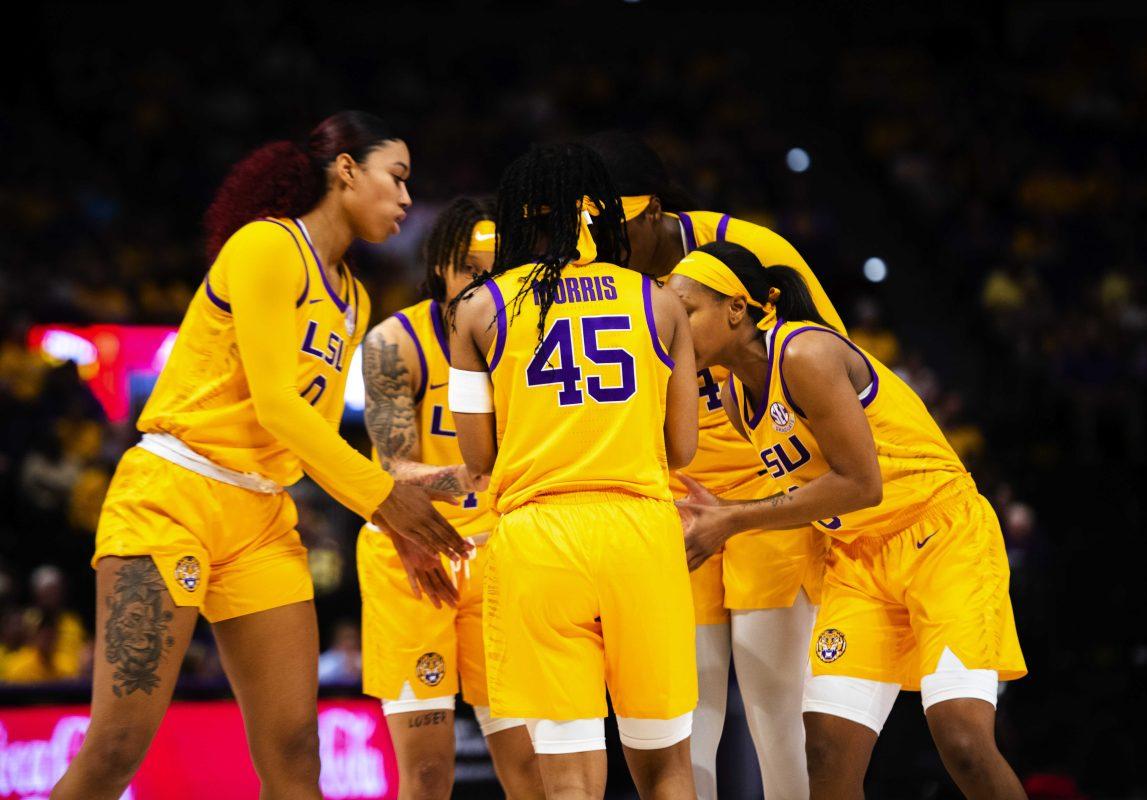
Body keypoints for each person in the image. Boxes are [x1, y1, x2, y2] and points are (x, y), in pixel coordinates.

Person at [51, 111, 469, 800]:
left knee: (297, 755)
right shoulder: (268, 246)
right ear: (345, 171)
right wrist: (385, 501)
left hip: (262, 518)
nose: (404, 200)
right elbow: (280, 407)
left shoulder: (354, 299)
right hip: (173, 493)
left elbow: (308, 443)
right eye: (395, 178)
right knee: (116, 749)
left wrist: (421, 499)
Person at [670, 241, 1028, 800]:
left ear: (736, 309)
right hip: (858, 560)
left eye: (686, 313)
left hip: (939, 537)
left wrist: (734, 520)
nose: (674, 330)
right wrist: (721, 517)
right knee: (827, 752)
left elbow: (861, 484)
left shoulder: (805, 353)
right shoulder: (737, 395)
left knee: (962, 741)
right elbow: (812, 494)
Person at [586, 130, 838, 798]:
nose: (605, 246)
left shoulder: (754, 250)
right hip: (673, 505)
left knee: (777, 713)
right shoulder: (598, 277)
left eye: (617, 228)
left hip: (770, 498)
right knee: (683, 716)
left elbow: (830, 366)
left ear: (653, 210)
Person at [448, 143, 699, 799]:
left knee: (566, 777)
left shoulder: (478, 309)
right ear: (599, 211)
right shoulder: (660, 302)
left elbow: (477, 459)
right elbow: (683, 448)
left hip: (539, 538)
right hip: (640, 534)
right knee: (668, 768)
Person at [358, 197, 543, 798]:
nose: (483, 282)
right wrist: (478, 475)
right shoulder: (395, 341)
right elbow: (390, 469)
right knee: (429, 773)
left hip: (500, 557)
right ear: (440, 266)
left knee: (532, 769)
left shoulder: (527, 344)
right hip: (412, 555)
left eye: (496, 269)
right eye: (469, 267)